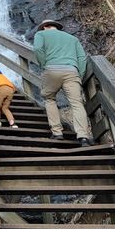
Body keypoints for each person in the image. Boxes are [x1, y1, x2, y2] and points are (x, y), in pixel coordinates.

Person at [33, 19, 94, 147]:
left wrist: (44, 65)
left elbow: (38, 49)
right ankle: (83, 137)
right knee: (77, 103)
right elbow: (82, 58)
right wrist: (80, 75)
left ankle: (57, 133)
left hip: (51, 70)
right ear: (56, 27)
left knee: (49, 99)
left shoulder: (40, 35)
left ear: (44, 27)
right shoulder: (72, 39)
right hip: (72, 71)